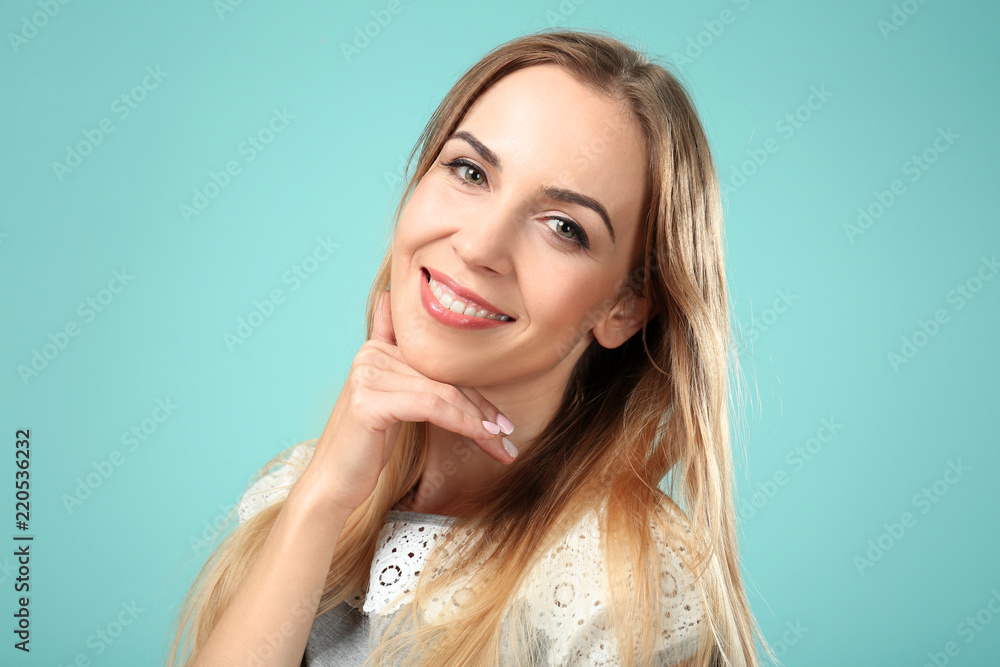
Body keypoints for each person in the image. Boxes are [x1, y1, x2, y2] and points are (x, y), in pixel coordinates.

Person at [168, 28, 770, 667]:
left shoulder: (625, 585)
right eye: (470, 171)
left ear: (624, 308)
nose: (479, 246)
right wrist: (322, 501)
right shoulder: (299, 488)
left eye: (565, 227)